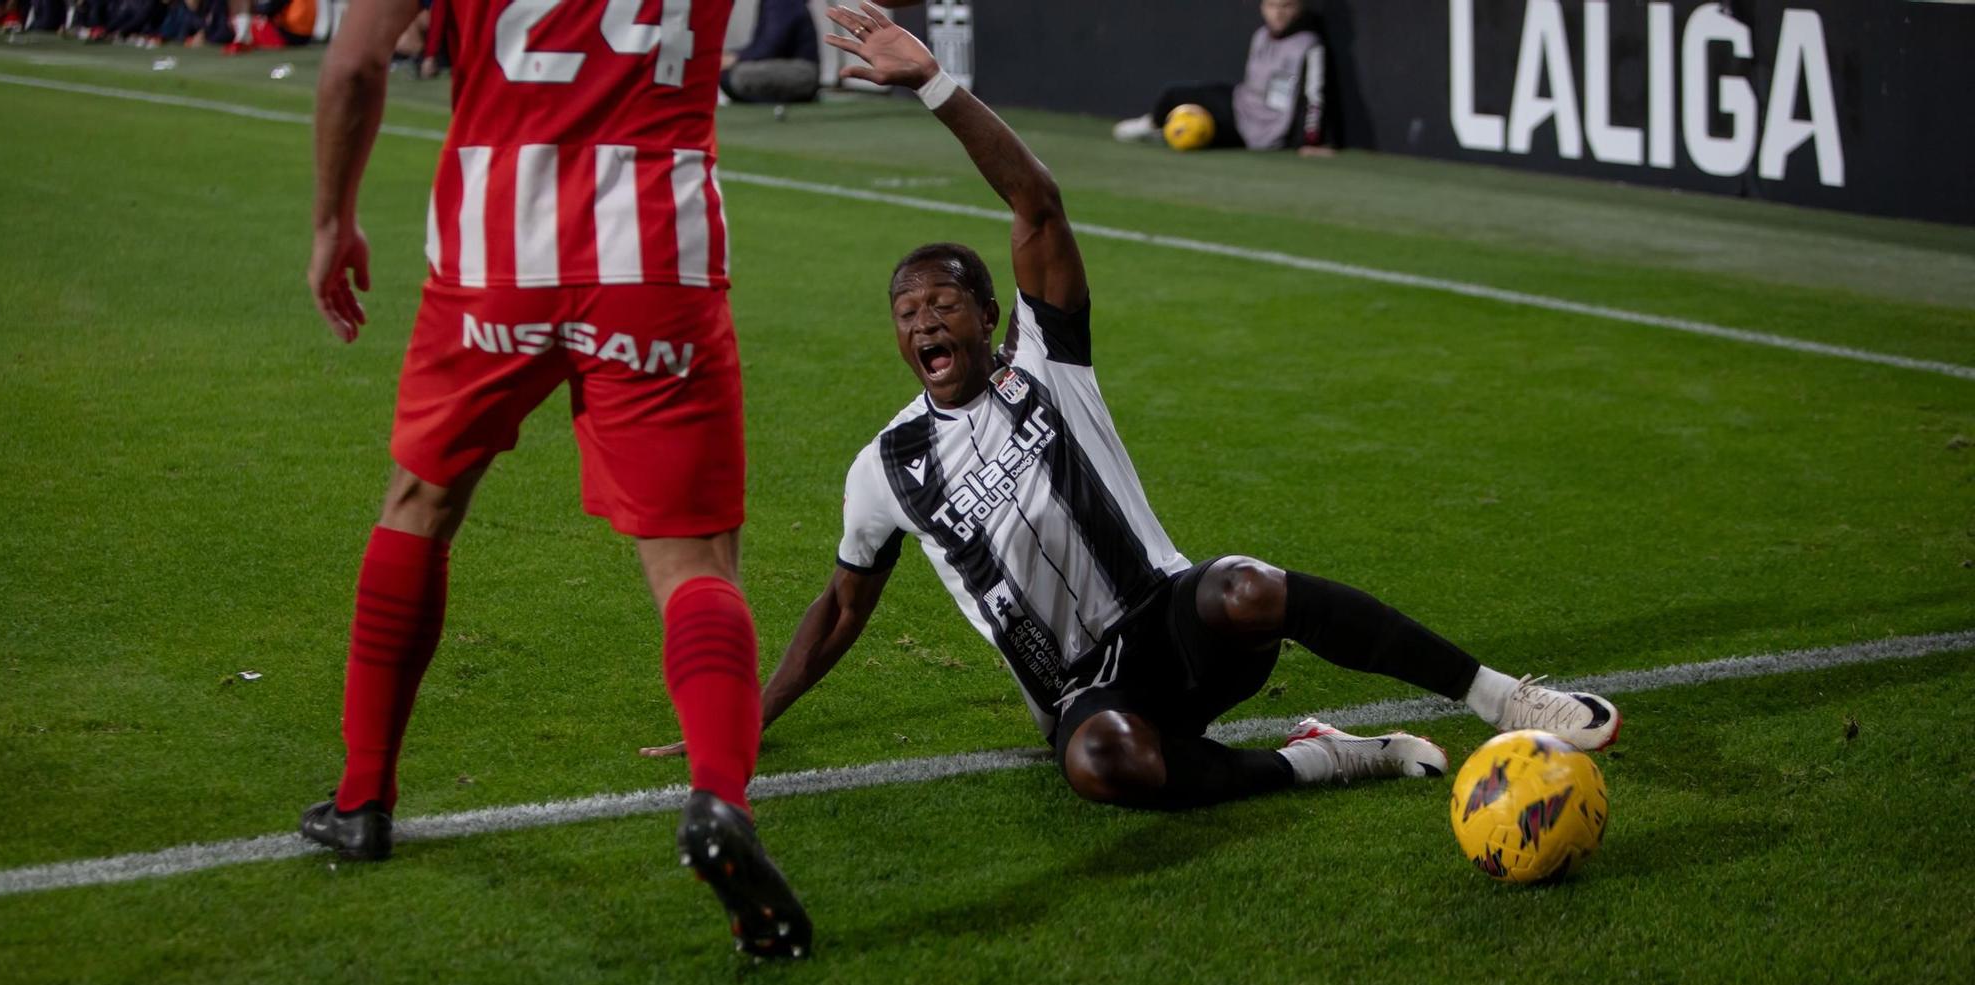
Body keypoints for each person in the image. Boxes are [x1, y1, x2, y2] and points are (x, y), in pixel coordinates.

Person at [647, 3, 1619, 813]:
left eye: (943, 302)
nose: (923, 321)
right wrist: (743, 720)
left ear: (988, 316)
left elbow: (1035, 206)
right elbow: (837, 610)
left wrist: (934, 87)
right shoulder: (885, 466)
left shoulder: (1046, 362)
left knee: (1245, 582)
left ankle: (1502, 696)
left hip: (1176, 623)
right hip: (1086, 692)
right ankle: (1327, 758)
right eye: (905, 313)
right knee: (1101, 765)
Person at [305, 0, 811, 959]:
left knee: (422, 504)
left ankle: (363, 794)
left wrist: (333, 219)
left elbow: (354, 68)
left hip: (497, 246)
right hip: (655, 248)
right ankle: (721, 803)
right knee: (694, 557)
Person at [1111, 0, 1332, 157]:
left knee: (1200, 134)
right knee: (1173, 93)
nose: (1278, 13)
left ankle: (1165, 131)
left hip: (1262, 130)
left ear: (1300, 7)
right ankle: (1155, 124)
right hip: (1240, 103)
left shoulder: (1309, 46)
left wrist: (1309, 141)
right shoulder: (1261, 36)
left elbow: (1314, 96)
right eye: (1272, 6)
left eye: (1286, 6)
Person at [720, 0, 819, 105]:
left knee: (734, 76)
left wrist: (736, 58)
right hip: (786, 67)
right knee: (728, 73)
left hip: (802, 73)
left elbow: (770, 47)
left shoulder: (782, 2)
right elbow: (760, 44)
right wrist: (731, 56)